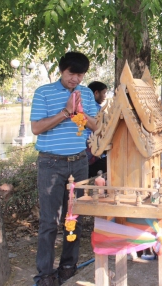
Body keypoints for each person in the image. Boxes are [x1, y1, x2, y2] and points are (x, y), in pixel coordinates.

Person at [30, 52, 98, 286]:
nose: (76, 79)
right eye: (72, 73)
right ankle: (45, 275)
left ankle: (68, 267)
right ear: (62, 70)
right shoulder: (43, 93)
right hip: (51, 163)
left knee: (75, 217)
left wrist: (80, 113)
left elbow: (97, 126)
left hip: (79, 162)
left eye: (80, 75)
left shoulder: (87, 94)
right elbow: (36, 128)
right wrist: (65, 112)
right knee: (50, 221)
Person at [86, 81, 108, 177]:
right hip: (92, 146)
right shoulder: (96, 109)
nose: (105, 96)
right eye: (104, 93)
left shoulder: (86, 107)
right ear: (96, 93)